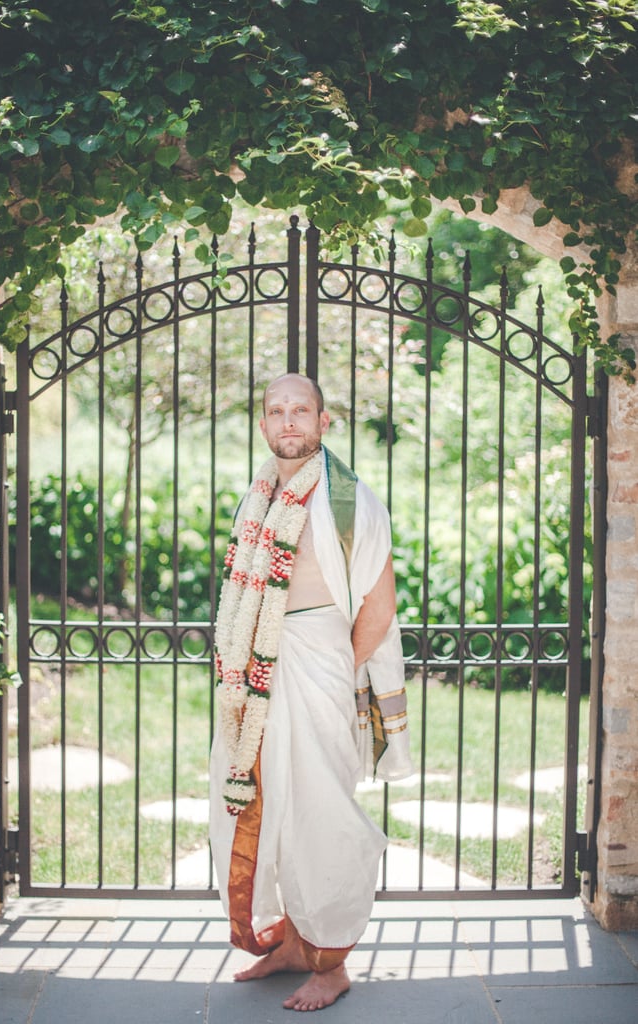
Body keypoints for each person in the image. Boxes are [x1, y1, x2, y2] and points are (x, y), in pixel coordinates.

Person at [209, 373, 412, 1012]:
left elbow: (379, 605)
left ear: (324, 423)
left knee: (321, 808)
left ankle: (333, 961)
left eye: (302, 410)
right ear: (265, 425)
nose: (289, 420)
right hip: (254, 672)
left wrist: (334, 668)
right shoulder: (260, 493)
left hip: (318, 661)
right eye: (277, 410)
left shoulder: (351, 501)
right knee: (269, 806)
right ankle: (295, 942)